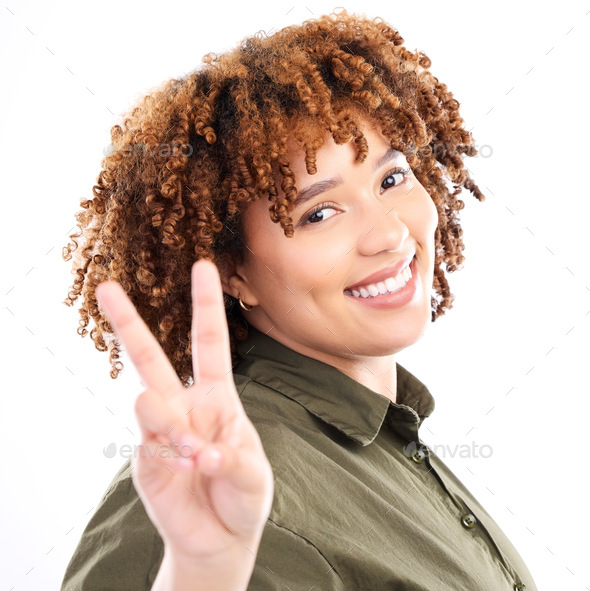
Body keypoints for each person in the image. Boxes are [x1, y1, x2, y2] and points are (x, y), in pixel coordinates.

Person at [60, 10, 537, 590]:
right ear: (233, 274)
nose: (388, 233)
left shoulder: (382, 437)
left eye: (390, 179)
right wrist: (201, 573)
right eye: (320, 212)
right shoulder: (212, 490)